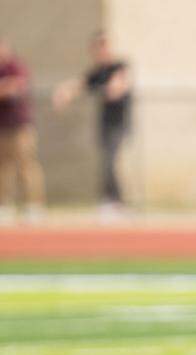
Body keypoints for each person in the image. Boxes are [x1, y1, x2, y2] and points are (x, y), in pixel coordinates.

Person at [52, 31, 132, 217]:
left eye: (104, 46)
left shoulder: (118, 66)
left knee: (111, 161)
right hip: (105, 123)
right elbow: (80, 83)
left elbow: (118, 86)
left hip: (119, 123)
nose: (101, 51)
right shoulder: (98, 72)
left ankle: (118, 202)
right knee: (106, 161)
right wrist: (64, 92)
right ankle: (110, 201)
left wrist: (111, 87)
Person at [0, 39, 46, 223]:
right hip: (2, 127)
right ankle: (4, 205)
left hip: (20, 126)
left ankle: (34, 206)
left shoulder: (17, 67)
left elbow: (14, 88)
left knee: (26, 166)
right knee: (3, 168)